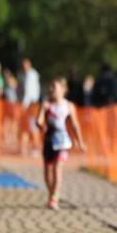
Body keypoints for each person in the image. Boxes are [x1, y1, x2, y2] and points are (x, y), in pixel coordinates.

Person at [37, 78, 86, 210]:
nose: (51, 90)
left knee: (57, 168)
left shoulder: (69, 106)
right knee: (48, 172)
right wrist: (42, 110)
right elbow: (39, 123)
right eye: (50, 87)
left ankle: (55, 198)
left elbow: (75, 125)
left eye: (55, 87)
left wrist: (80, 142)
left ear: (63, 90)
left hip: (63, 143)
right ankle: (51, 193)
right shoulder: (47, 104)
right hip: (48, 141)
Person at [18, 58, 42, 156]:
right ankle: (27, 147)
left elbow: (29, 91)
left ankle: (35, 147)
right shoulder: (29, 74)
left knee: (32, 126)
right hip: (31, 103)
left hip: (32, 104)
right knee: (27, 127)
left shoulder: (31, 75)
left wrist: (24, 104)